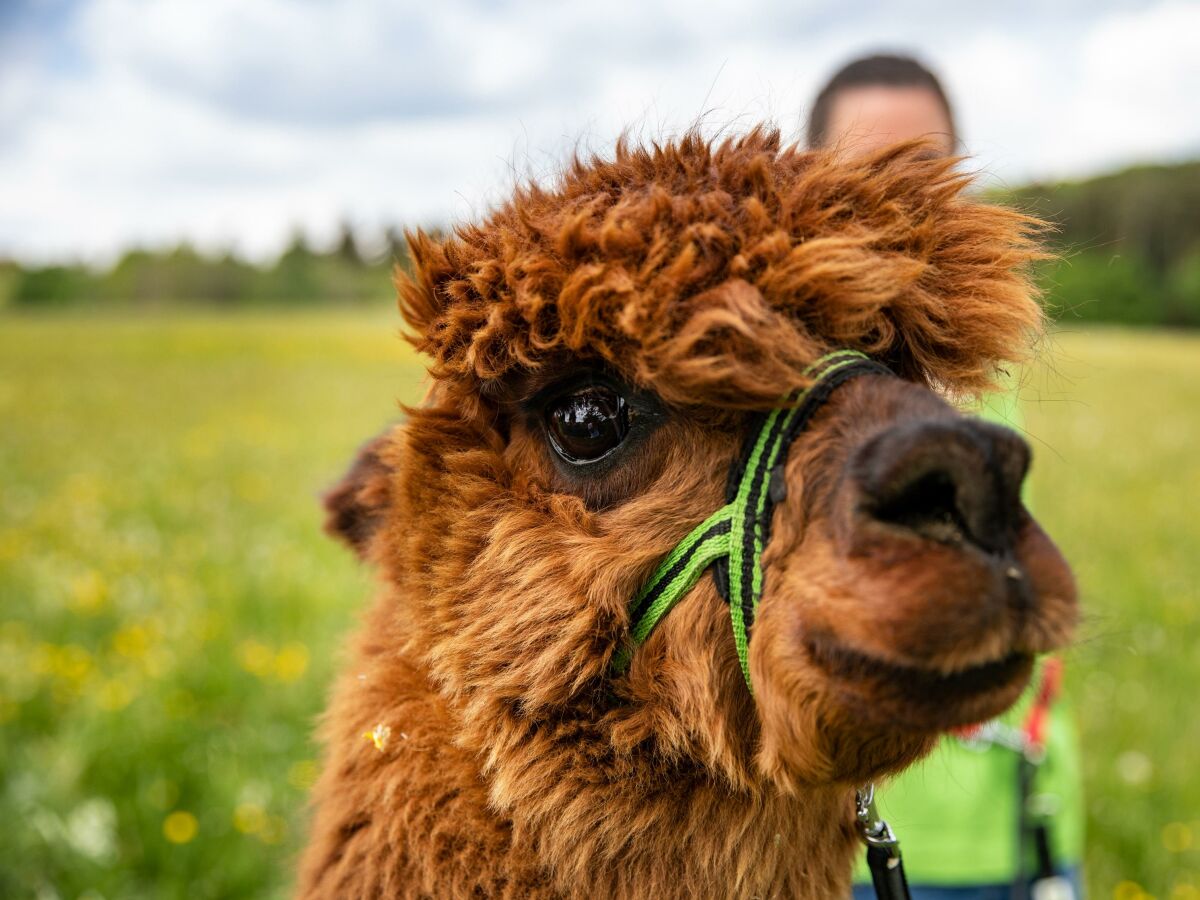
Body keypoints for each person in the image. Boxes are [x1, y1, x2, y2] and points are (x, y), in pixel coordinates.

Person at [806, 54, 1086, 900]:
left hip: (1020, 825)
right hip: (852, 844)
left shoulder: (989, 348)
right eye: (866, 173)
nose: (902, 204)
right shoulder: (787, 374)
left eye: (926, 170)